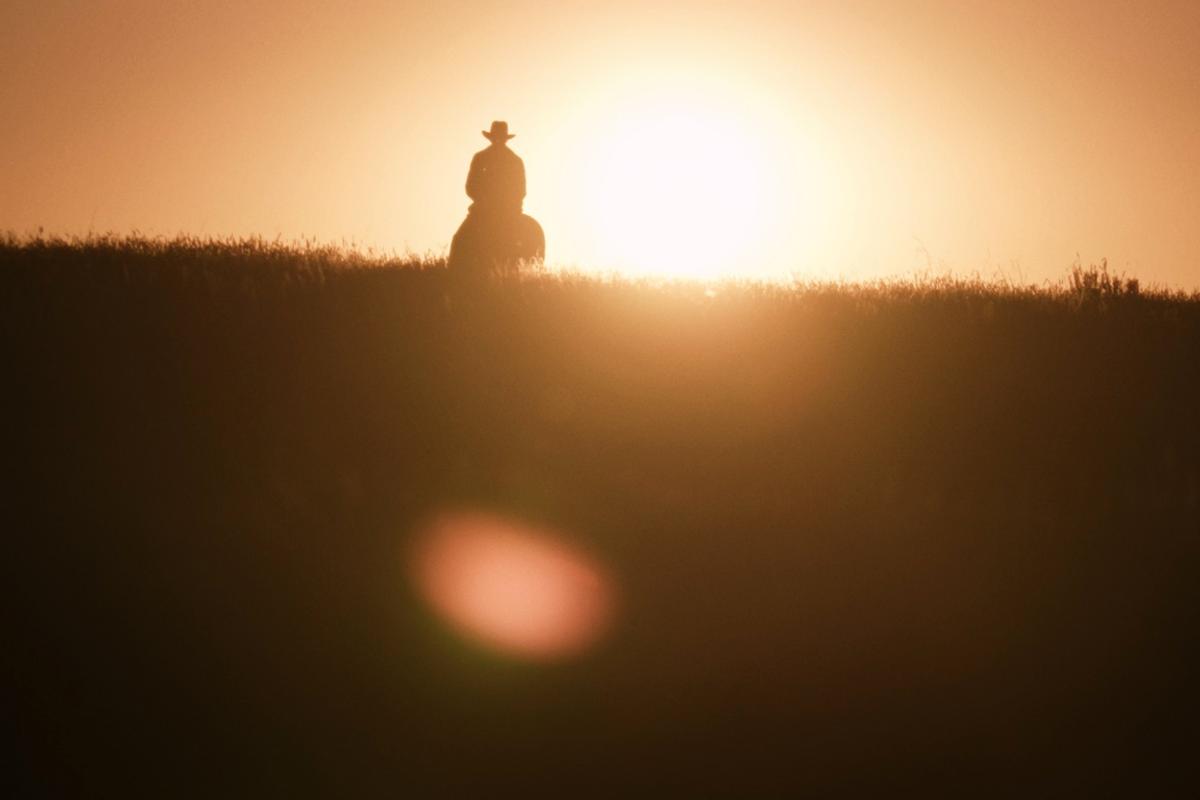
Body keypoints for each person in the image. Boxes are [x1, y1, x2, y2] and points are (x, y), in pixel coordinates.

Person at [466, 121, 526, 215]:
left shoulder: (480, 157)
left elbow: (470, 187)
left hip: (487, 208)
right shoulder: (516, 160)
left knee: (466, 230)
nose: (498, 140)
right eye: (497, 138)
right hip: (503, 208)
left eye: (499, 138)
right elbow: (521, 190)